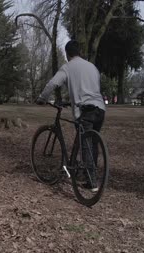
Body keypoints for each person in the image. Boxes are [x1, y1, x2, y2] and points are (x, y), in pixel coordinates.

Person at [36, 40, 106, 192]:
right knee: (91, 144)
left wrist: (42, 98)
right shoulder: (92, 67)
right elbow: (90, 87)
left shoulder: (67, 67)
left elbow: (52, 84)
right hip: (100, 109)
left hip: (85, 110)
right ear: (79, 52)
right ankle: (87, 176)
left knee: (86, 144)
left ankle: (93, 182)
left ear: (67, 54)